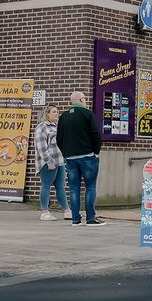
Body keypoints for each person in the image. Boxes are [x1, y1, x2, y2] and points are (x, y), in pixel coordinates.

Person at [56, 91, 105, 226]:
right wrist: (96, 152)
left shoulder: (64, 116)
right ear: (81, 100)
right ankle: (90, 218)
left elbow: (59, 138)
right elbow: (95, 134)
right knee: (90, 187)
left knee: (73, 188)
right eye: (84, 98)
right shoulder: (88, 114)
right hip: (87, 156)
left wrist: (65, 153)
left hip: (70, 158)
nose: (86, 100)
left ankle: (75, 219)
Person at [34, 105, 69, 221]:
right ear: (47, 114)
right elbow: (42, 147)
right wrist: (49, 162)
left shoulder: (56, 127)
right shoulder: (42, 127)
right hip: (48, 163)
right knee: (46, 186)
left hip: (59, 162)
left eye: (57, 112)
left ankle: (67, 211)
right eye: (54, 112)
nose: (56, 113)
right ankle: (44, 212)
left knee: (60, 187)